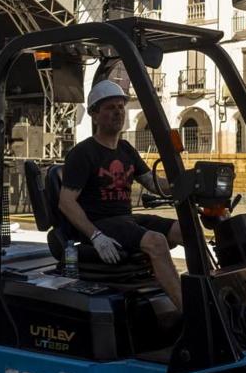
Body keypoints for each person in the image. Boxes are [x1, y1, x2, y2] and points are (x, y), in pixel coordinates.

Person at [58, 80, 184, 309]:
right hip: (101, 224)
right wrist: (96, 236)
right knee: (156, 242)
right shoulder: (83, 153)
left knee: (186, 231)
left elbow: (154, 183)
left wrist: (188, 183)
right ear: (94, 115)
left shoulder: (126, 149)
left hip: (125, 220)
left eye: (120, 107)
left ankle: (211, 295)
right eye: (110, 108)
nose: (118, 112)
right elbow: (66, 203)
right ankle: (192, 314)